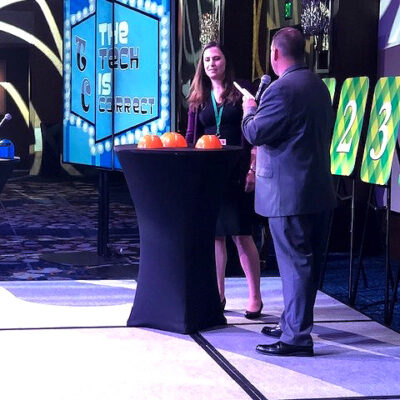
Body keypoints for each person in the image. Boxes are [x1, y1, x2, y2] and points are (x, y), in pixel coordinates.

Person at [241, 27, 336, 356]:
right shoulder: (319, 86)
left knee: (296, 265)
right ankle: (292, 323)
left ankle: (296, 338)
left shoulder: (282, 90)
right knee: (305, 265)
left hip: (289, 195)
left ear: (275, 54)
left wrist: (249, 108)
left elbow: (255, 132)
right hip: (318, 191)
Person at [185, 41, 262, 317]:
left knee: (242, 234)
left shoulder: (241, 91)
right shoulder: (198, 96)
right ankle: (218, 296)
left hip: (236, 172)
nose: (211, 64)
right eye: (206, 60)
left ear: (225, 61)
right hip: (208, 174)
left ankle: (255, 297)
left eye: (216, 59)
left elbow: (253, 135)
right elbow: (191, 138)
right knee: (215, 237)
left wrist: (252, 169)